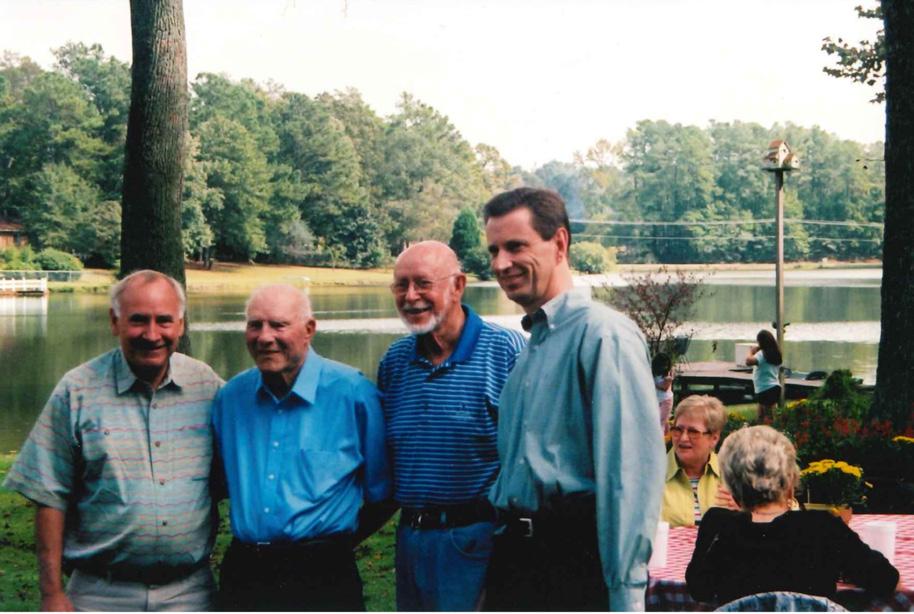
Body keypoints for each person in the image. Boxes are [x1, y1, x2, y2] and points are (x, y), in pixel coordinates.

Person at [482, 187, 666, 611]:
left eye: (515, 246)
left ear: (560, 243)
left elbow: (628, 478)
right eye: (493, 250)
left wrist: (625, 596)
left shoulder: (603, 336)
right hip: (517, 563)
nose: (500, 264)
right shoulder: (532, 347)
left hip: (572, 568)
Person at [3, 270, 224, 611]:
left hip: (190, 594)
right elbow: (49, 495)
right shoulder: (77, 391)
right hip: (100, 595)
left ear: (180, 325)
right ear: (114, 321)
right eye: (138, 320)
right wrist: (51, 593)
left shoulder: (206, 387)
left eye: (164, 321)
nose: (152, 334)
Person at [212, 284, 390, 611]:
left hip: (323, 575)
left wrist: (334, 544)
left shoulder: (353, 394)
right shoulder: (231, 398)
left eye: (278, 325)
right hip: (244, 574)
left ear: (309, 330)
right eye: (255, 325)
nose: (265, 337)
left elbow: (384, 492)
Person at [378, 241, 526, 611]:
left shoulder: (506, 351)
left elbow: (530, 460)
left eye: (423, 283)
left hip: (476, 540)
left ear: (458, 285)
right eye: (401, 285)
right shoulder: (395, 361)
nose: (410, 296)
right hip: (411, 539)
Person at [686, 425, 900, 607]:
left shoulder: (718, 524)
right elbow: (887, 580)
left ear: (732, 485)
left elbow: (699, 591)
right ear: (790, 479)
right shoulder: (823, 527)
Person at [661, 395, 738, 528]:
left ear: (714, 438)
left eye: (693, 432)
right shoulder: (652, 475)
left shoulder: (732, 474)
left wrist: (742, 512)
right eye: (678, 430)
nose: (683, 438)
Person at [746, 329, 782, 421]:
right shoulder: (776, 353)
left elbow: (748, 361)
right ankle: (774, 426)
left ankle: (768, 428)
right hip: (775, 387)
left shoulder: (762, 354)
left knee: (766, 418)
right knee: (767, 415)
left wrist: (751, 352)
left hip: (764, 389)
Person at [652, 352, 674, 434]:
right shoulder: (654, 373)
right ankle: (668, 433)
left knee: (660, 422)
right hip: (657, 400)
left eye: (666, 365)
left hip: (666, 400)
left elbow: (665, 387)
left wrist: (652, 384)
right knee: (662, 419)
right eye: (663, 365)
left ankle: (660, 439)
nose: (665, 367)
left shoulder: (668, 374)